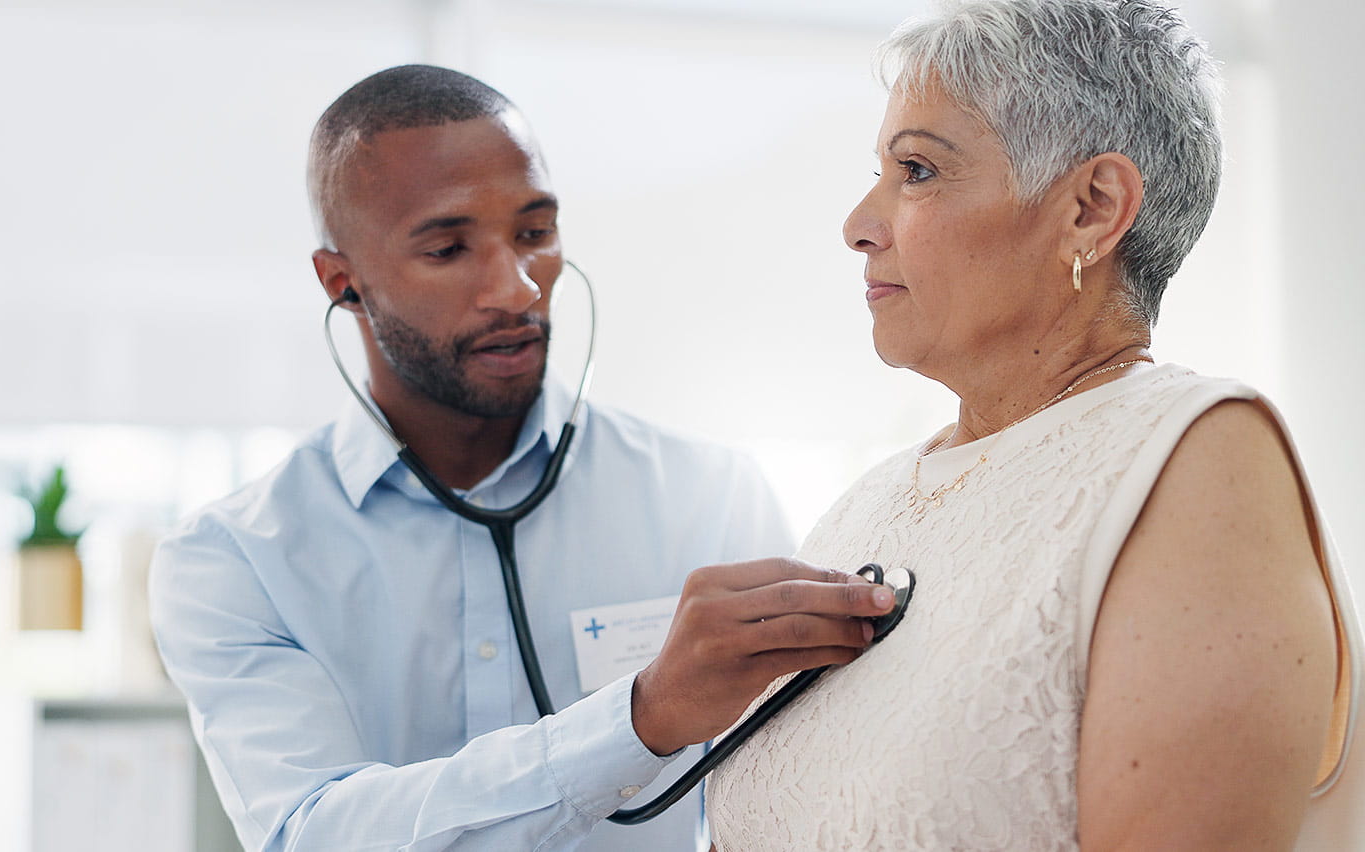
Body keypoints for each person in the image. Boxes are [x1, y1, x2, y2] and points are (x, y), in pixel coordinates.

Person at [149, 65, 895, 852]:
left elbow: (797, 788)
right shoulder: (233, 561)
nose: (516, 289)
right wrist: (641, 718)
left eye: (534, 234)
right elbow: (315, 831)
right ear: (345, 283)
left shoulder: (709, 496)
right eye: (447, 248)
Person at [705, 1, 1360, 849]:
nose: (859, 226)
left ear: (1091, 207)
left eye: (918, 171)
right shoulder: (865, 505)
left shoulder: (1197, 456)